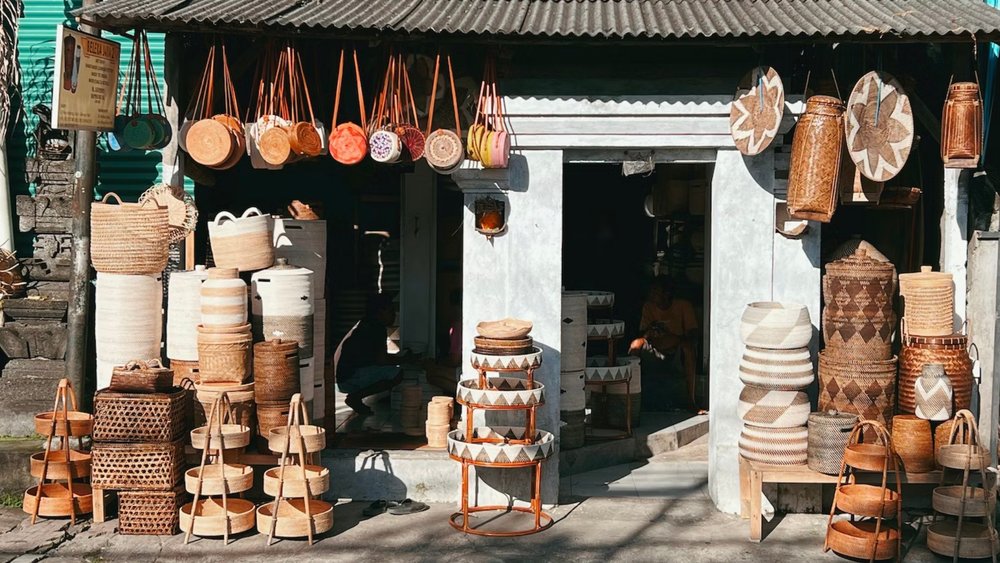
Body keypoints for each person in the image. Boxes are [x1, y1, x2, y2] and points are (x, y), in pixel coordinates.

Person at [628, 276, 701, 411]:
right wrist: (650, 331)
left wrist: (673, 337)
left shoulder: (683, 306)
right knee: (636, 344)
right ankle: (630, 395)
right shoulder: (648, 306)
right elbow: (642, 334)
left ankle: (691, 400)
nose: (651, 295)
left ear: (666, 294)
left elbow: (693, 334)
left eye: (655, 291)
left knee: (689, 348)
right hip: (655, 350)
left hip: (676, 352)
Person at [334, 293, 403, 416]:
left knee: (388, 369)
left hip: (340, 378)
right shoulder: (377, 328)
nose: (394, 315)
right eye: (391, 311)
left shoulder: (364, 324)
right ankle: (355, 397)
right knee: (396, 374)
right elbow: (382, 360)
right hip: (348, 379)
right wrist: (405, 360)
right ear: (380, 312)